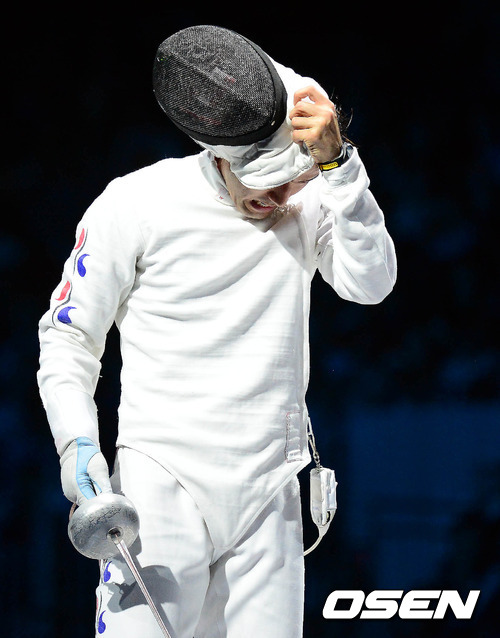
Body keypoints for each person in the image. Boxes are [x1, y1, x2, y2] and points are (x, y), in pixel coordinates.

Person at [37, 25, 397, 638]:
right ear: (221, 153)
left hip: (271, 487)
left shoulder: (316, 199)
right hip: (160, 481)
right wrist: (76, 442)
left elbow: (372, 283)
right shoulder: (136, 202)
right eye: (264, 180)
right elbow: (70, 337)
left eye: (293, 179)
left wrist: (340, 171)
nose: (278, 196)